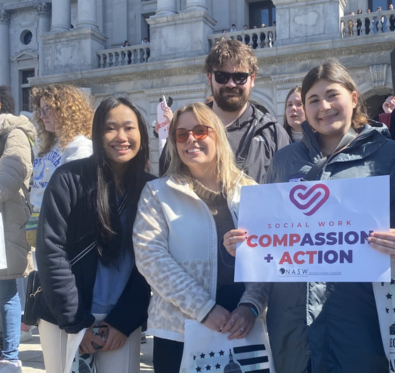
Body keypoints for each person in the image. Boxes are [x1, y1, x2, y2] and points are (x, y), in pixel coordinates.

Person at [264, 60, 395, 373]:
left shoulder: (389, 155)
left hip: (360, 317)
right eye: (313, 99)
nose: (323, 106)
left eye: (332, 95)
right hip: (292, 324)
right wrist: (248, 242)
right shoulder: (285, 160)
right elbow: (268, 232)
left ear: (354, 98)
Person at [133, 102, 267, 373]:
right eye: (181, 134)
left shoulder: (250, 191)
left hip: (242, 326)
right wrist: (204, 309)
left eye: (200, 130)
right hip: (180, 330)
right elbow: (151, 258)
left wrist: (251, 305)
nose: (191, 139)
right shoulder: (158, 193)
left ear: (217, 134)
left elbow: (268, 259)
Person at [34, 97, 154, 373]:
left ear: (142, 134)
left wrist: (124, 320)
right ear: (97, 134)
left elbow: (150, 262)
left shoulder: (151, 188)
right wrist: (77, 323)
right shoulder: (69, 178)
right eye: (110, 128)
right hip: (66, 317)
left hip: (121, 322)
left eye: (129, 128)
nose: (121, 137)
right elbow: (51, 251)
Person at [160, 38, 290, 182]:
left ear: (252, 79)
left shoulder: (273, 134)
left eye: (240, 77)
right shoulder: (185, 132)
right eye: (222, 76)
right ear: (209, 78)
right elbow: (166, 185)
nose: (231, 84)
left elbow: (285, 193)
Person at [0, 86, 36, 373]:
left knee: (5, 289)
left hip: (6, 223)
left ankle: (10, 355)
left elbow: (12, 173)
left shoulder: (15, 134)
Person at [30, 84, 93, 232]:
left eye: (48, 109)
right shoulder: (49, 144)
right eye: (40, 110)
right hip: (39, 219)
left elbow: (78, 193)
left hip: (61, 224)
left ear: (65, 111)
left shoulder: (80, 146)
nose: (42, 116)